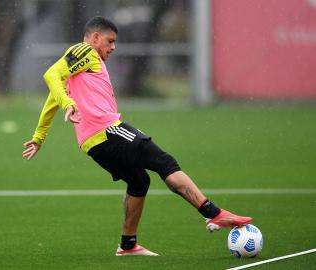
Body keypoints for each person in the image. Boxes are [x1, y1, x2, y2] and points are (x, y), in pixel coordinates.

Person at [22, 16, 252, 256]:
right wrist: (68, 103)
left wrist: (39, 136)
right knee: (165, 162)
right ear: (95, 38)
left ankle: (128, 245)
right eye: (110, 41)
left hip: (93, 144)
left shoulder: (76, 68)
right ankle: (214, 214)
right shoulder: (84, 51)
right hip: (108, 130)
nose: (113, 47)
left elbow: (53, 95)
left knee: (139, 181)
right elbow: (50, 75)